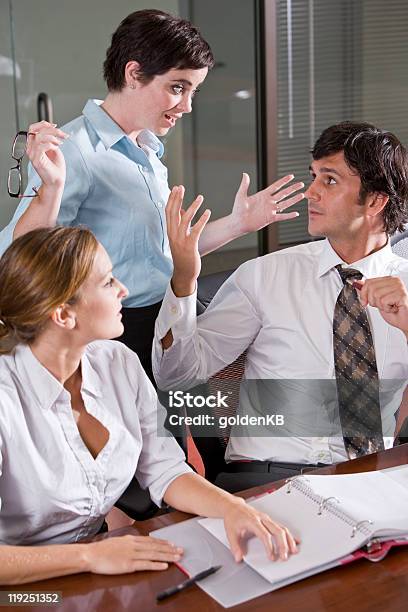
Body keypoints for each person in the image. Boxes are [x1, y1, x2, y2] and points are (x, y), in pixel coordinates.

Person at [0, 9, 304, 383]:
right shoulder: (75, 151)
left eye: (193, 91)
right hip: (114, 332)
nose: (187, 106)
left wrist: (239, 223)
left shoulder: (146, 148)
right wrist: (50, 190)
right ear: (133, 73)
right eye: (178, 87)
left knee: (189, 435)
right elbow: (20, 256)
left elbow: (158, 257)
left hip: (163, 319)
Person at [0, 223, 299, 586]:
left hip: (102, 565)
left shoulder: (118, 363)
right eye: (109, 282)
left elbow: (165, 471)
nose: (124, 290)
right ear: (63, 314)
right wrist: (90, 556)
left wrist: (234, 508)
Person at [152, 121, 408, 491]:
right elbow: (176, 375)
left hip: (370, 479)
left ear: (375, 200)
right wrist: (183, 281)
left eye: (330, 181)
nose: (311, 193)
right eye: (313, 176)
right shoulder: (265, 277)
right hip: (270, 477)